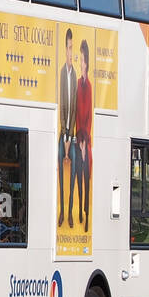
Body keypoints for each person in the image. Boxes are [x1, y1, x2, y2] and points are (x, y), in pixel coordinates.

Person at [57, 27, 77, 227]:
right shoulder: (62, 73)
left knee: (72, 176)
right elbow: (62, 105)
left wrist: (72, 136)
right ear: (65, 50)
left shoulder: (75, 75)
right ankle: (62, 212)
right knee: (60, 175)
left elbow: (75, 107)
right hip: (63, 133)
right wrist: (64, 135)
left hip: (72, 134)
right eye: (69, 48)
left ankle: (70, 211)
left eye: (73, 48)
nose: (71, 52)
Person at [73, 39, 94, 226]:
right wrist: (78, 140)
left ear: (87, 62)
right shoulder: (77, 84)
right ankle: (79, 211)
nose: (81, 63)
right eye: (79, 59)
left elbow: (89, 117)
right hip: (78, 138)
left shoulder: (89, 87)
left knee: (86, 175)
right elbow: (76, 114)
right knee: (78, 176)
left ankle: (86, 214)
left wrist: (85, 142)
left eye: (82, 59)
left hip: (86, 140)